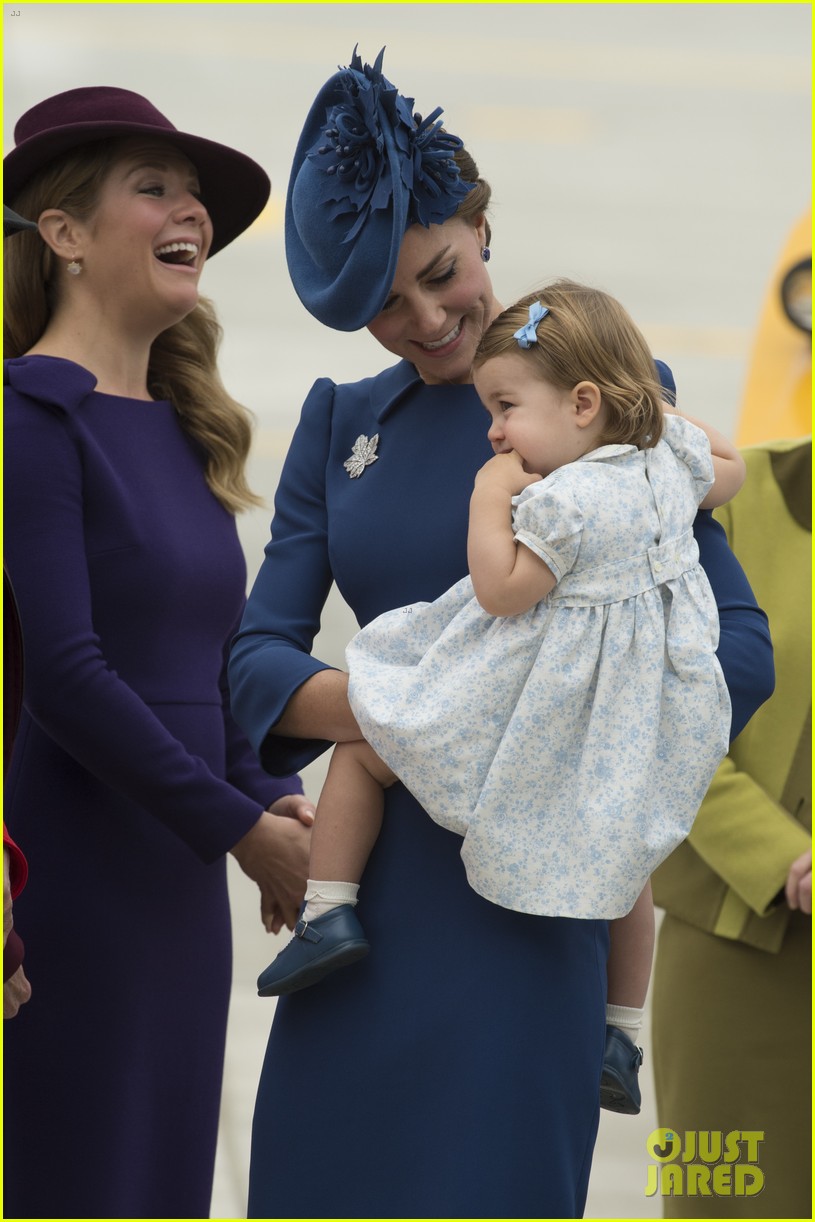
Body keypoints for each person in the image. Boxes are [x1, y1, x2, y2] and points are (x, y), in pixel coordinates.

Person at [228, 48, 774, 1218]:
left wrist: (580, 714)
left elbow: (736, 645)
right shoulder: (340, 425)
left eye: (442, 272)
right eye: (385, 303)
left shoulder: (617, 400)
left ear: (482, 225)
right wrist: (410, 715)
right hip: (360, 920)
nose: (427, 320)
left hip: (537, 911)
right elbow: (256, 663)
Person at [254, 279, 744, 1117]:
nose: (493, 432)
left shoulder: (566, 499)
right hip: (637, 709)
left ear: (581, 401)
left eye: (506, 408)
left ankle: (328, 911)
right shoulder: (665, 466)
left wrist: (489, 500)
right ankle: (621, 1032)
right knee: (623, 862)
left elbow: (503, 592)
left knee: (370, 742)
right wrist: (665, 432)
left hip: (538, 700)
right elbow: (726, 469)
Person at [3, 87, 313, 1219]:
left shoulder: (184, 425)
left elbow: (216, 661)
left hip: (177, 891)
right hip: (73, 881)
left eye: (195, 196)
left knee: (162, 1181)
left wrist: (275, 801)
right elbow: (73, 679)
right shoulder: (31, 418)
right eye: (155, 186)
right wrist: (239, 830)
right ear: (65, 234)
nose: (190, 209)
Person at [651, 436, 811, 1219]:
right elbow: (657, 709)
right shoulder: (724, 498)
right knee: (721, 1198)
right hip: (735, 942)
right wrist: (783, 856)